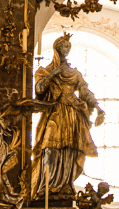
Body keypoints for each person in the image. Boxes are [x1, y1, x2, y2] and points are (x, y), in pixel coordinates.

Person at [31, 34, 104, 194]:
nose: (67, 49)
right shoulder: (44, 71)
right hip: (55, 112)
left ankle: (65, 184)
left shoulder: (74, 73)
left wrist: (98, 108)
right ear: (57, 48)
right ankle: (46, 186)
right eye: (65, 46)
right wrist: (54, 73)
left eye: (69, 47)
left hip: (72, 114)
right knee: (49, 148)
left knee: (71, 150)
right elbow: (39, 89)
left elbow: (85, 93)